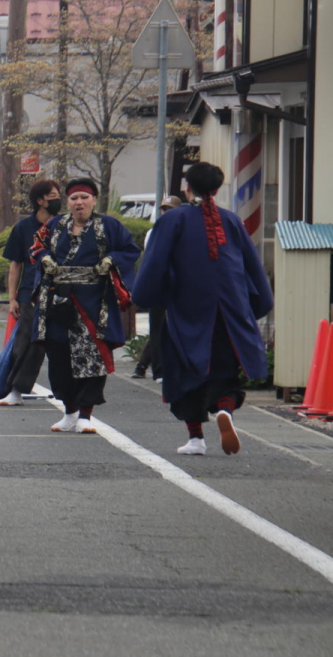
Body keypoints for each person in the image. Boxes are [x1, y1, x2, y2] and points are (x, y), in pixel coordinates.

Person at [132, 163, 272, 456]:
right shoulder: (231, 220)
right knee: (224, 374)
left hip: (187, 311)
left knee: (183, 373)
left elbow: (155, 263)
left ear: (187, 188)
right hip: (228, 314)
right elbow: (253, 270)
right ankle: (225, 412)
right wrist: (255, 307)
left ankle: (196, 438)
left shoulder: (173, 220)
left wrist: (145, 295)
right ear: (217, 189)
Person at [31, 178, 141, 434]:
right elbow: (36, 245)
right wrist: (45, 257)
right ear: (67, 202)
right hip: (58, 300)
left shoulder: (109, 225)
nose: (79, 202)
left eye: (84, 197)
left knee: (92, 358)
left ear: (94, 200)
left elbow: (129, 250)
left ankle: (85, 415)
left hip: (93, 303)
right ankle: (69, 411)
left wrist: (111, 260)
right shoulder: (55, 224)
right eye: (74, 198)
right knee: (59, 359)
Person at [0, 179, 61, 405]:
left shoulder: (65, 225)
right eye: (52, 195)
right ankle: (15, 389)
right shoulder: (24, 228)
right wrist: (12, 297)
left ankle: (70, 397)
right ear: (40, 200)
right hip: (30, 294)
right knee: (28, 342)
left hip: (61, 293)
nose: (57, 200)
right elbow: (15, 265)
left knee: (63, 344)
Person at [131, 195, 182, 380]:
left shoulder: (185, 230)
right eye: (164, 209)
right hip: (159, 284)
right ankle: (157, 370)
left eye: (170, 209)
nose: (166, 212)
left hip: (179, 285)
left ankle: (143, 365)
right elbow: (152, 261)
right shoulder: (154, 232)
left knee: (171, 327)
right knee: (158, 327)